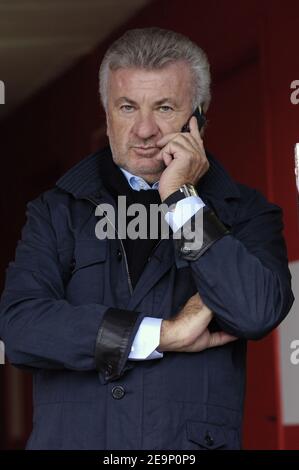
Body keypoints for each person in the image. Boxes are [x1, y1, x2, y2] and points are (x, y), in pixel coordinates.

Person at [0, 27, 294, 450]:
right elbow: (21, 328)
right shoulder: (56, 211)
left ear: (199, 115)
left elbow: (256, 311)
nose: (143, 129)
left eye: (164, 107)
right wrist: (162, 333)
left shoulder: (245, 213)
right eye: (127, 107)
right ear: (107, 114)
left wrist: (181, 200)